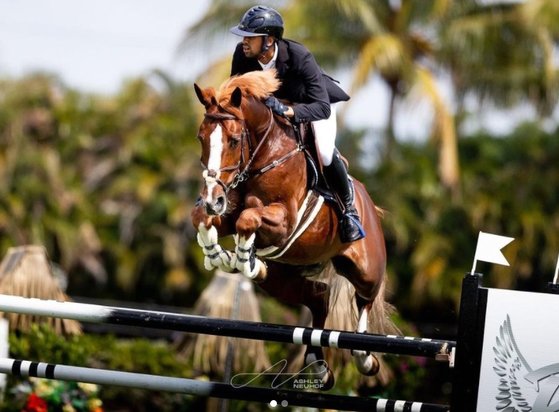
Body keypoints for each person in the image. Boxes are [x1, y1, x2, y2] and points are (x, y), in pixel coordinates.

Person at [229, 5, 365, 243]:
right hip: (274, 108)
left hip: (313, 106)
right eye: (244, 37)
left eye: (250, 37)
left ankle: (348, 212)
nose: (244, 42)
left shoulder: (298, 56)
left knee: (323, 152)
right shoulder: (242, 56)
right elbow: (236, 98)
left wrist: (289, 110)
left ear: (269, 40)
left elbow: (321, 106)